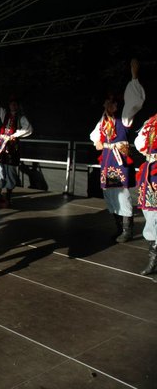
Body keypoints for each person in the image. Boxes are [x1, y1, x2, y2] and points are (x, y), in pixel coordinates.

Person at [90, 59, 145, 243]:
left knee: (123, 194)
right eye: (107, 103)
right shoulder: (104, 120)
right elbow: (94, 136)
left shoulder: (124, 118)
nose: (108, 105)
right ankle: (119, 228)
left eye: (111, 103)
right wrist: (98, 141)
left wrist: (134, 77)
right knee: (111, 194)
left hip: (118, 160)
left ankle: (128, 231)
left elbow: (135, 101)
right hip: (107, 161)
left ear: (116, 105)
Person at [0, 80, 33, 206]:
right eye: (11, 104)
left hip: (12, 147)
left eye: (15, 104)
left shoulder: (21, 117)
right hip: (1, 146)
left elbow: (28, 129)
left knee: (11, 171)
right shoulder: (4, 114)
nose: (13, 106)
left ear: (18, 105)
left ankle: (8, 197)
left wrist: (14, 135)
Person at [134, 112, 157, 276]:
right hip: (150, 172)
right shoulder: (151, 122)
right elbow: (140, 143)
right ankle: (153, 259)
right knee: (149, 215)